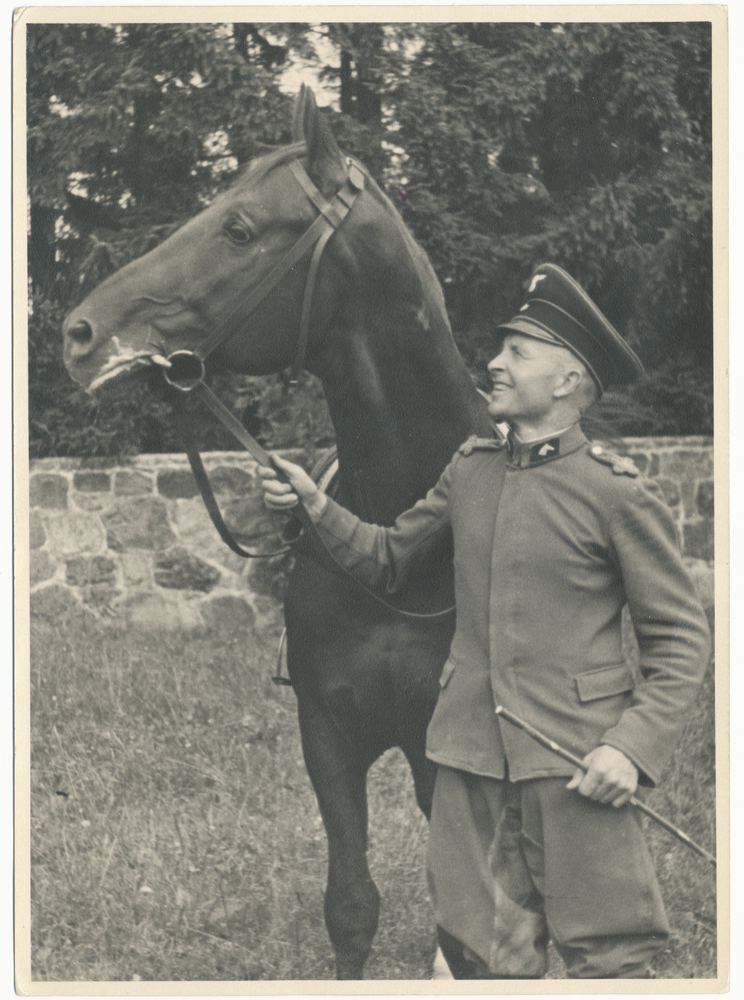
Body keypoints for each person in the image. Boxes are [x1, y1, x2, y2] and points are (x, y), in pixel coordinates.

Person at [258, 263, 711, 980]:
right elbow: (386, 557)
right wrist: (316, 503)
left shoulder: (613, 493)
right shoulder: (469, 470)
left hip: (574, 766)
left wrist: (630, 748)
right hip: (466, 763)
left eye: (517, 353)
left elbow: (682, 639)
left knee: (610, 957)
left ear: (566, 381)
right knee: (481, 957)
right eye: (499, 351)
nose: (492, 365)